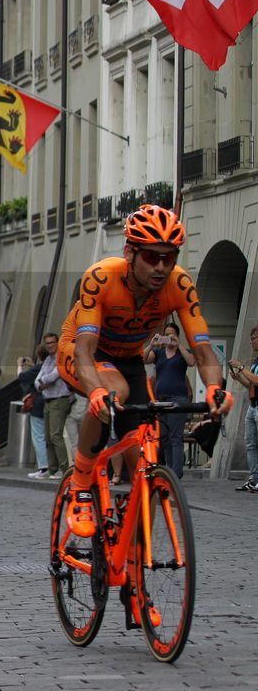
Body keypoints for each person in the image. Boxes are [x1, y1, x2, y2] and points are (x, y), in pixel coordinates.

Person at [56, 205, 230, 539]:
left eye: (170, 257)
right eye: (151, 257)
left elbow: (203, 350)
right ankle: (80, 484)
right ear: (129, 252)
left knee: (146, 467)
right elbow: (85, 349)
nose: (162, 266)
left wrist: (213, 388)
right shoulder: (102, 276)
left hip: (130, 360)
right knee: (113, 392)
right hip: (85, 352)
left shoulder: (179, 284)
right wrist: (95, 392)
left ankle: (131, 563)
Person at [145, 321, 194, 478]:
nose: (168, 337)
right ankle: (169, 471)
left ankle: (175, 473)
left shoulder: (182, 352)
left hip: (178, 399)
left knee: (175, 437)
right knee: (164, 438)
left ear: (177, 335)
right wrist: (152, 344)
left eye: (171, 334)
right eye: (166, 335)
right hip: (161, 401)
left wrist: (178, 345)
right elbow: (142, 359)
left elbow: (192, 362)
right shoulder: (158, 353)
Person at [35, 332, 71, 479]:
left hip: (59, 399)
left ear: (57, 343)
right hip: (48, 400)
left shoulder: (61, 357)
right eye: (47, 343)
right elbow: (39, 380)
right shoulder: (48, 360)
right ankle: (52, 469)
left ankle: (64, 469)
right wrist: (42, 383)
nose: (50, 345)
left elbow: (55, 376)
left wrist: (43, 382)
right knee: (48, 438)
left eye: (52, 342)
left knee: (56, 436)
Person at [227, 325, 258, 490]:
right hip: (253, 405)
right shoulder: (255, 361)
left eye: (254, 338)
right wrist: (239, 377)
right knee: (251, 444)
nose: (251, 342)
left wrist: (241, 367)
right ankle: (254, 479)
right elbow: (251, 384)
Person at [20, 344, 50, 479]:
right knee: (50, 435)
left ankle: (44, 467)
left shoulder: (40, 368)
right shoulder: (49, 366)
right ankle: (52, 466)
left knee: (38, 436)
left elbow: (22, 377)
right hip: (50, 402)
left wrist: (19, 365)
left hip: (38, 404)